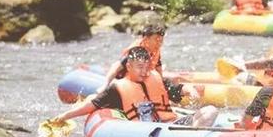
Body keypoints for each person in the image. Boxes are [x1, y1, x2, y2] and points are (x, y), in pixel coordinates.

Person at [49, 47, 218, 127]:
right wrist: (65, 116)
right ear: (129, 67)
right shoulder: (118, 88)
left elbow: (177, 90)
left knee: (211, 111)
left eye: (147, 67)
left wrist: (191, 90)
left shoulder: (155, 79)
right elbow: (92, 105)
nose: (144, 72)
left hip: (173, 124)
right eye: (139, 67)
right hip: (146, 131)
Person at [97, 24, 166, 94]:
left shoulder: (155, 50)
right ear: (146, 39)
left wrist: (161, 85)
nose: (159, 43)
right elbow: (116, 66)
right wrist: (105, 85)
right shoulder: (135, 50)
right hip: (124, 80)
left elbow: (158, 69)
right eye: (156, 40)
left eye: (161, 40)